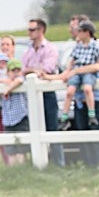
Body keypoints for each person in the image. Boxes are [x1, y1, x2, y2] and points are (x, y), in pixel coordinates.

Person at [21, 18, 64, 166]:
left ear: (41, 31)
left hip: (47, 94)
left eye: (32, 30)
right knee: (34, 127)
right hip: (31, 95)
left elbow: (48, 68)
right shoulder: (28, 51)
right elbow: (22, 69)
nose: (29, 33)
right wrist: (34, 69)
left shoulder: (50, 49)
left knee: (52, 127)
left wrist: (31, 69)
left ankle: (59, 162)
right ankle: (39, 162)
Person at [54, 20, 99, 130]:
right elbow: (71, 62)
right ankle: (64, 118)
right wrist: (68, 73)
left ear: (87, 32)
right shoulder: (78, 46)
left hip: (91, 83)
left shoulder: (96, 46)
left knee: (87, 89)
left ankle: (92, 115)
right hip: (79, 99)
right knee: (70, 92)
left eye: (80, 31)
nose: (77, 33)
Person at [0, 59, 29, 165]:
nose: (16, 73)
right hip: (8, 120)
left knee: (21, 148)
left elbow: (20, 80)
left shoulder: (20, 81)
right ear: (8, 72)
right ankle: (13, 169)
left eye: (18, 70)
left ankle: (22, 168)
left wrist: (8, 89)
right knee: (10, 149)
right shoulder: (4, 82)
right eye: (13, 71)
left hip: (20, 118)